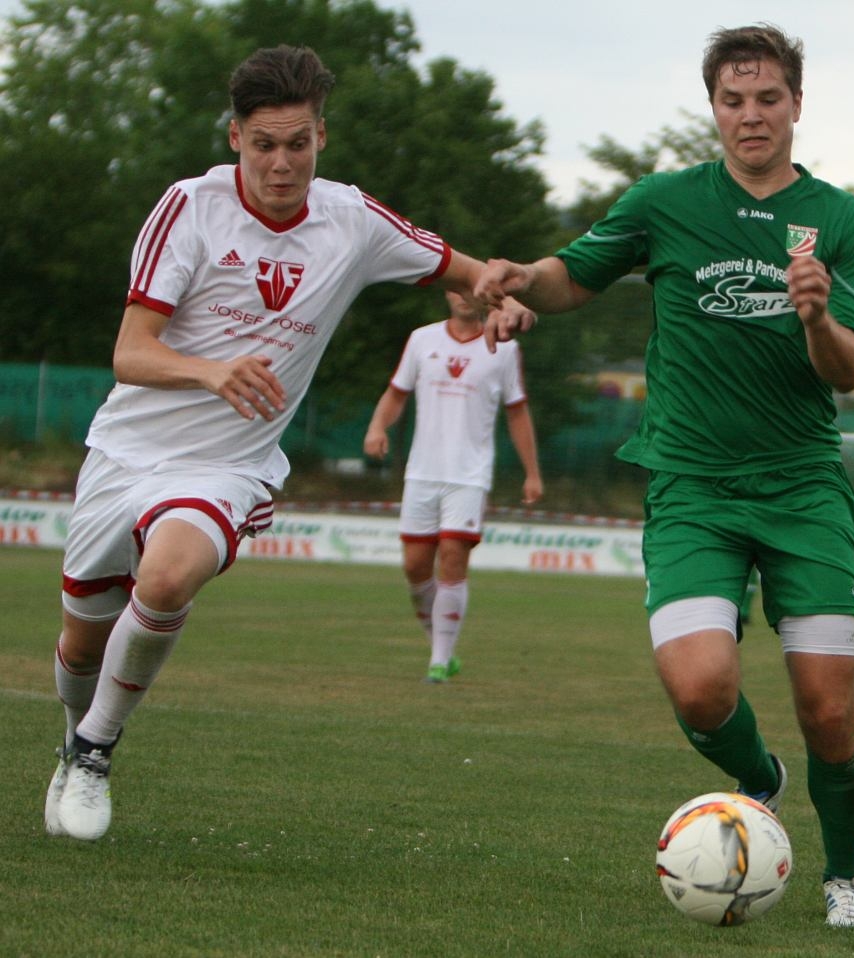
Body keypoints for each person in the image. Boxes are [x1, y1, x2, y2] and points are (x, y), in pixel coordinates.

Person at [43, 44, 534, 843]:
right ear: (234, 137)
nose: (282, 164)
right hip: (128, 453)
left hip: (226, 466)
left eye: (298, 144)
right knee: (78, 639)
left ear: (322, 138)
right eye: (265, 144)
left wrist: (503, 302)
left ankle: (96, 749)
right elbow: (130, 353)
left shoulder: (352, 220)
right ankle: (71, 738)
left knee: (168, 578)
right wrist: (209, 372)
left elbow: (466, 272)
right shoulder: (189, 207)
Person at [475, 24, 854, 928]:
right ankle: (759, 781)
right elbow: (570, 276)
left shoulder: (845, 222)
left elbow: (850, 370)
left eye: (767, 98)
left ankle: (845, 875)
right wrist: (514, 278)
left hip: (804, 488)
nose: (751, 116)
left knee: (828, 711)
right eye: (733, 101)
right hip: (692, 486)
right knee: (700, 688)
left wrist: (815, 318)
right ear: (714, 109)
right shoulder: (664, 202)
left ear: (796, 105)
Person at [363, 291, 543, 682]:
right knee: (414, 567)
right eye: (457, 289)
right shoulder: (422, 339)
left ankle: (439, 662)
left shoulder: (504, 350)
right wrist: (378, 426)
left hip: (469, 474)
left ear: (484, 299)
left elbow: (517, 412)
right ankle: (440, 645)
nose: (464, 298)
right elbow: (397, 393)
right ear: (446, 293)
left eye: (472, 292)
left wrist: (532, 472)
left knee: (452, 556)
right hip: (422, 472)